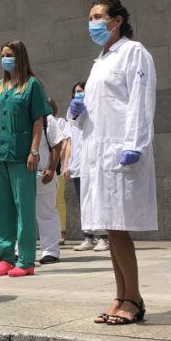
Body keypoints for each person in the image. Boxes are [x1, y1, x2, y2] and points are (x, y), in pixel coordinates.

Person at [71, 0, 157, 325]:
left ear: (116, 20)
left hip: (120, 150)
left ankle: (133, 297)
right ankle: (120, 294)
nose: (92, 23)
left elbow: (140, 100)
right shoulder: (100, 61)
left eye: (98, 17)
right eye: (89, 17)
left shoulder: (134, 52)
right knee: (110, 227)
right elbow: (98, 109)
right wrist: (76, 114)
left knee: (119, 228)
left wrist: (135, 144)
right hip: (99, 152)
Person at [0, 40, 49, 277]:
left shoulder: (32, 85)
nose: (5, 59)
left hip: (22, 156)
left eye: (9, 54)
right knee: (0, 209)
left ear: (19, 57)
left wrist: (34, 151)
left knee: (24, 208)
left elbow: (38, 121)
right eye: (2, 55)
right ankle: (5, 257)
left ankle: (27, 260)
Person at [64, 82, 108, 253]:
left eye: (81, 91)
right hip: (79, 165)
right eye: (76, 92)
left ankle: (103, 237)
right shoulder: (72, 113)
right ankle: (88, 237)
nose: (78, 95)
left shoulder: (94, 110)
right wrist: (67, 164)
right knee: (84, 202)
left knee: (98, 200)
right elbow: (70, 141)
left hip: (95, 162)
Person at [36, 98, 68, 266]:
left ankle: (50, 250)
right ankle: (20, 250)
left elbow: (57, 145)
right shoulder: (19, 116)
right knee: (21, 214)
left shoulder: (47, 119)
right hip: (22, 173)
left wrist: (51, 167)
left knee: (46, 212)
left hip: (43, 173)